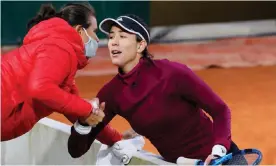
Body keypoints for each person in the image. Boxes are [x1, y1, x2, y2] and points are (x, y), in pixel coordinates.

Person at [67, 14, 241, 164]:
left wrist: (219, 152)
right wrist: (84, 123)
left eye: (122, 36)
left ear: (140, 45)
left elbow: (220, 110)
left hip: (222, 159)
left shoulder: (173, 73)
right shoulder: (111, 94)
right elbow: (76, 150)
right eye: (112, 37)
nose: (114, 43)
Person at [1, 2, 124, 144]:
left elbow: (74, 109)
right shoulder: (59, 47)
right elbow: (40, 88)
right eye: (94, 32)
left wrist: (117, 140)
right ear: (79, 30)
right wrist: (87, 108)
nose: (97, 39)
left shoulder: (59, 56)